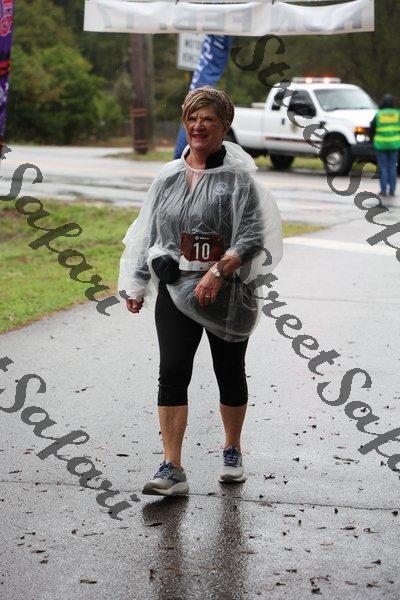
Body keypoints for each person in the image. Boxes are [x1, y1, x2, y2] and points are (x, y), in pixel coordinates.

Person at [118, 86, 283, 496]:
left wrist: (219, 271)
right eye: (192, 118)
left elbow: (253, 236)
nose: (198, 126)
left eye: (208, 119)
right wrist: (139, 280)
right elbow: (148, 232)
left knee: (229, 371)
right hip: (176, 289)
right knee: (172, 372)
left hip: (228, 293)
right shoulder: (169, 176)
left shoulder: (238, 180)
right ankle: (172, 467)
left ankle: (232, 449)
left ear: (225, 126)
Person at [370, 94, 400, 198]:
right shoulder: (397, 113)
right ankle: (392, 190)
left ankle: (383, 190)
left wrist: (372, 139)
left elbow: (372, 128)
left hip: (381, 144)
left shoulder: (379, 114)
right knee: (392, 167)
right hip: (394, 144)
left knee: (383, 167)